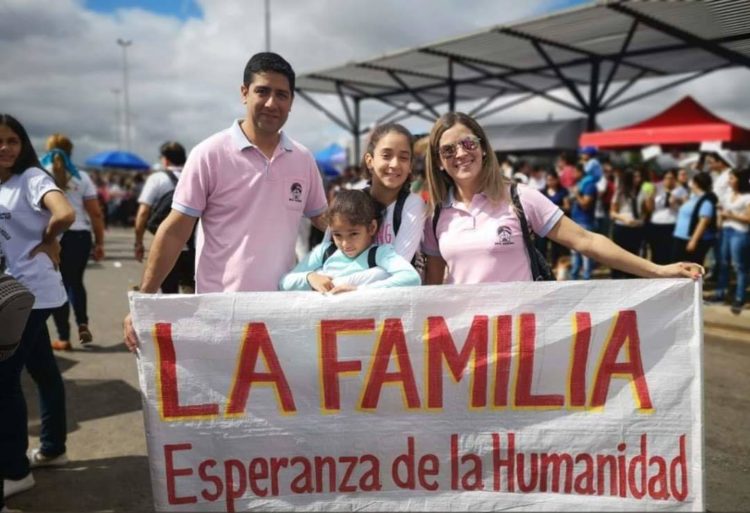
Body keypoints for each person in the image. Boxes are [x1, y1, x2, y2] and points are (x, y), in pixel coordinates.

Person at [123, 52, 327, 351]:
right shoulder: (209, 154)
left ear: (291, 101)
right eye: (262, 91)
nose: (272, 103)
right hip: (220, 313)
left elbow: (325, 220)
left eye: (282, 95)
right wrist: (144, 300)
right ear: (244, 93)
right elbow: (175, 231)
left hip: (282, 312)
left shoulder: (303, 158)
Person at [420, 112, 703, 286]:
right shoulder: (435, 216)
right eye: (448, 150)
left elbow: (586, 241)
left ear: (483, 149)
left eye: (468, 143)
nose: (460, 153)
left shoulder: (521, 198)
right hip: (466, 343)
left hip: (521, 337)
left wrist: (657, 270)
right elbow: (433, 288)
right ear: (439, 162)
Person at [0, 114, 75, 508]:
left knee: (4, 379)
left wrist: (49, 239)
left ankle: (15, 471)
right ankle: (53, 448)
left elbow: (64, 212)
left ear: (23, 144)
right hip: (14, 291)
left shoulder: (31, 178)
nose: (5, 148)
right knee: (43, 370)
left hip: (31, 294)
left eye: (12, 140)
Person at [279, 189, 420, 292]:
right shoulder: (324, 252)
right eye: (337, 235)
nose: (345, 244)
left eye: (353, 234)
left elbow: (411, 277)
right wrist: (310, 278)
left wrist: (358, 290)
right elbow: (284, 283)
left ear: (371, 228)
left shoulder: (380, 254)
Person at [40, 134, 105, 351]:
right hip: (80, 235)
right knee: (75, 282)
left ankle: (63, 337)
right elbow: (95, 213)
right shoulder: (82, 177)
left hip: (53, 236)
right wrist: (100, 243)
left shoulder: (39, 173)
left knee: (57, 285)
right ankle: (82, 323)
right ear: (71, 151)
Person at [133, 141, 194, 293]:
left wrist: (138, 242)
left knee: (168, 293)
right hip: (194, 245)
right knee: (192, 292)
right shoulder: (194, 175)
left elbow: (143, 212)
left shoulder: (157, 179)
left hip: (165, 244)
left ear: (165, 160)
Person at [709, 168, 750, 314]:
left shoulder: (747, 197)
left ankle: (739, 297)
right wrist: (720, 222)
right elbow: (722, 210)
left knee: (740, 266)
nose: (729, 181)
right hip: (725, 231)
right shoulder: (728, 194)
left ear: (740, 180)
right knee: (723, 264)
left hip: (740, 233)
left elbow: (748, 218)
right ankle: (720, 294)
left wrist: (731, 216)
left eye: (732, 178)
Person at [671, 172, 717, 266]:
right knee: (678, 265)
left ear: (696, 184)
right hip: (681, 237)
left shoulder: (706, 201)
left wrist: (693, 241)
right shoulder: (693, 197)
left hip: (690, 239)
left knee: (691, 267)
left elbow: (703, 222)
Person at [609, 169, 648, 279]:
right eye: (635, 177)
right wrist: (623, 218)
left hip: (636, 229)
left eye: (639, 176)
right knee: (618, 256)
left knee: (634, 257)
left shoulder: (642, 192)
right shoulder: (620, 193)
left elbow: (644, 211)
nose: (638, 179)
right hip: (622, 228)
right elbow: (612, 213)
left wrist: (641, 220)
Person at [644, 169, 688, 265]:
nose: (669, 180)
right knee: (656, 252)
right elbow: (650, 209)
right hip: (656, 224)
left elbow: (686, 207)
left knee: (670, 253)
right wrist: (650, 197)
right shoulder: (656, 188)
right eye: (666, 178)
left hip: (672, 224)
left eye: (671, 178)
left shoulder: (681, 190)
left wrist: (678, 201)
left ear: (675, 179)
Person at [568, 163, 598, 280]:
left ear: (581, 172)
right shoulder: (581, 184)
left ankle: (586, 277)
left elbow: (585, 205)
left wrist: (576, 194)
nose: (573, 175)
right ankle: (574, 277)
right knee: (575, 251)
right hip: (575, 220)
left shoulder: (589, 185)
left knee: (586, 253)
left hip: (585, 222)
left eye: (575, 172)